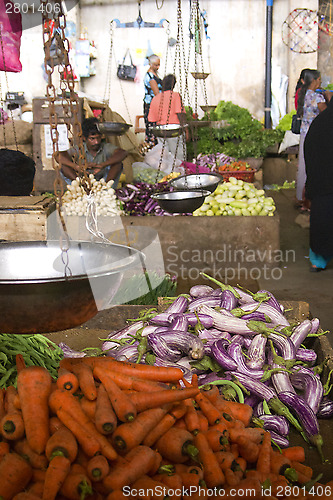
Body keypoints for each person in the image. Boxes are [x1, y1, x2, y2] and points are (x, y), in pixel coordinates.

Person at [304, 97, 333, 272]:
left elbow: (310, 150)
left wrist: (311, 181)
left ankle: (318, 261)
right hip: (324, 183)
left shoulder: (320, 122)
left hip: (322, 183)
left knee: (322, 220)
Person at [57, 117, 127, 188]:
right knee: (63, 165)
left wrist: (102, 165)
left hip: (102, 181)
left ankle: (105, 188)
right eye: (92, 139)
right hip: (83, 181)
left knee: (118, 164)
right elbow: (57, 155)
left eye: (98, 138)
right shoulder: (79, 148)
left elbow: (123, 153)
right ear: (84, 138)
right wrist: (76, 167)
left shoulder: (106, 147)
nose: (96, 142)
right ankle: (80, 186)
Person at [295, 69, 329, 208]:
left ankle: (299, 197)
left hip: (304, 134)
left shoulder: (304, 94)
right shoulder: (317, 98)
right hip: (316, 137)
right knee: (314, 167)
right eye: (319, 79)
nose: (320, 82)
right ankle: (308, 201)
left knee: (303, 166)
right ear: (314, 81)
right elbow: (327, 114)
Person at [148, 74, 186, 160]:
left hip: (161, 132)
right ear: (174, 84)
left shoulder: (156, 98)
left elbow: (152, 119)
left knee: (165, 158)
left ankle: (168, 173)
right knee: (178, 157)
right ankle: (180, 172)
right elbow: (180, 114)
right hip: (175, 132)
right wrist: (186, 130)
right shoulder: (175, 95)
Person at [143, 54, 162, 143]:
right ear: (150, 64)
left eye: (159, 64)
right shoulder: (150, 77)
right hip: (151, 105)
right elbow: (156, 93)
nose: (158, 67)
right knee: (152, 129)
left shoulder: (155, 75)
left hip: (155, 105)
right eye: (156, 65)